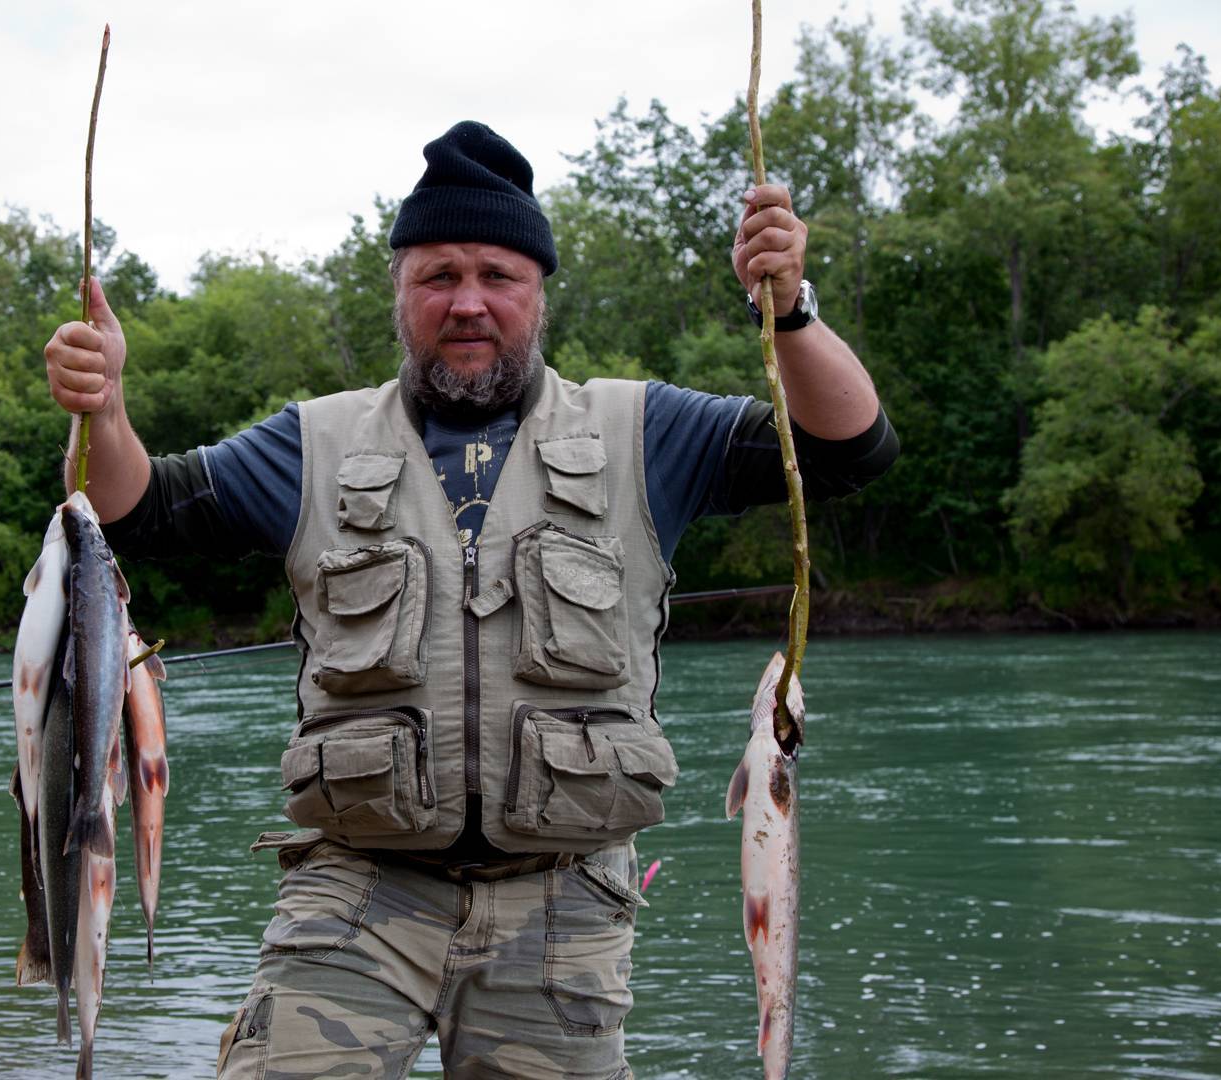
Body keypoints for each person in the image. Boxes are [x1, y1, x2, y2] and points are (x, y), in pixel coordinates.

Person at [45, 121, 898, 1077]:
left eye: (499, 275)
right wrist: (107, 407)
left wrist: (791, 314)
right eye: (438, 276)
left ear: (539, 294)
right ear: (400, 295)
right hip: (357, 891)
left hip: (565, 905)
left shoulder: (646, 429)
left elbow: (848, 450)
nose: (468, 302)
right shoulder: (311, 443)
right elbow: (141, 509)